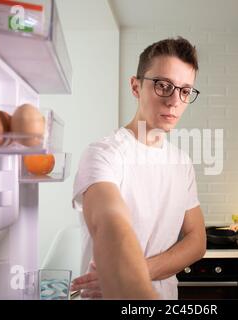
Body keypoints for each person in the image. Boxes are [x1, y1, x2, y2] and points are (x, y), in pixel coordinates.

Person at [71, 37, 206, 299]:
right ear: (135, 86)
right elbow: (110, 223)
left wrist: (137, 272)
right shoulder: (104, 154)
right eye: (163, 86)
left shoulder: (182, 164)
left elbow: (196, 241)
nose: (174, 101)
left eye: (185, 91)